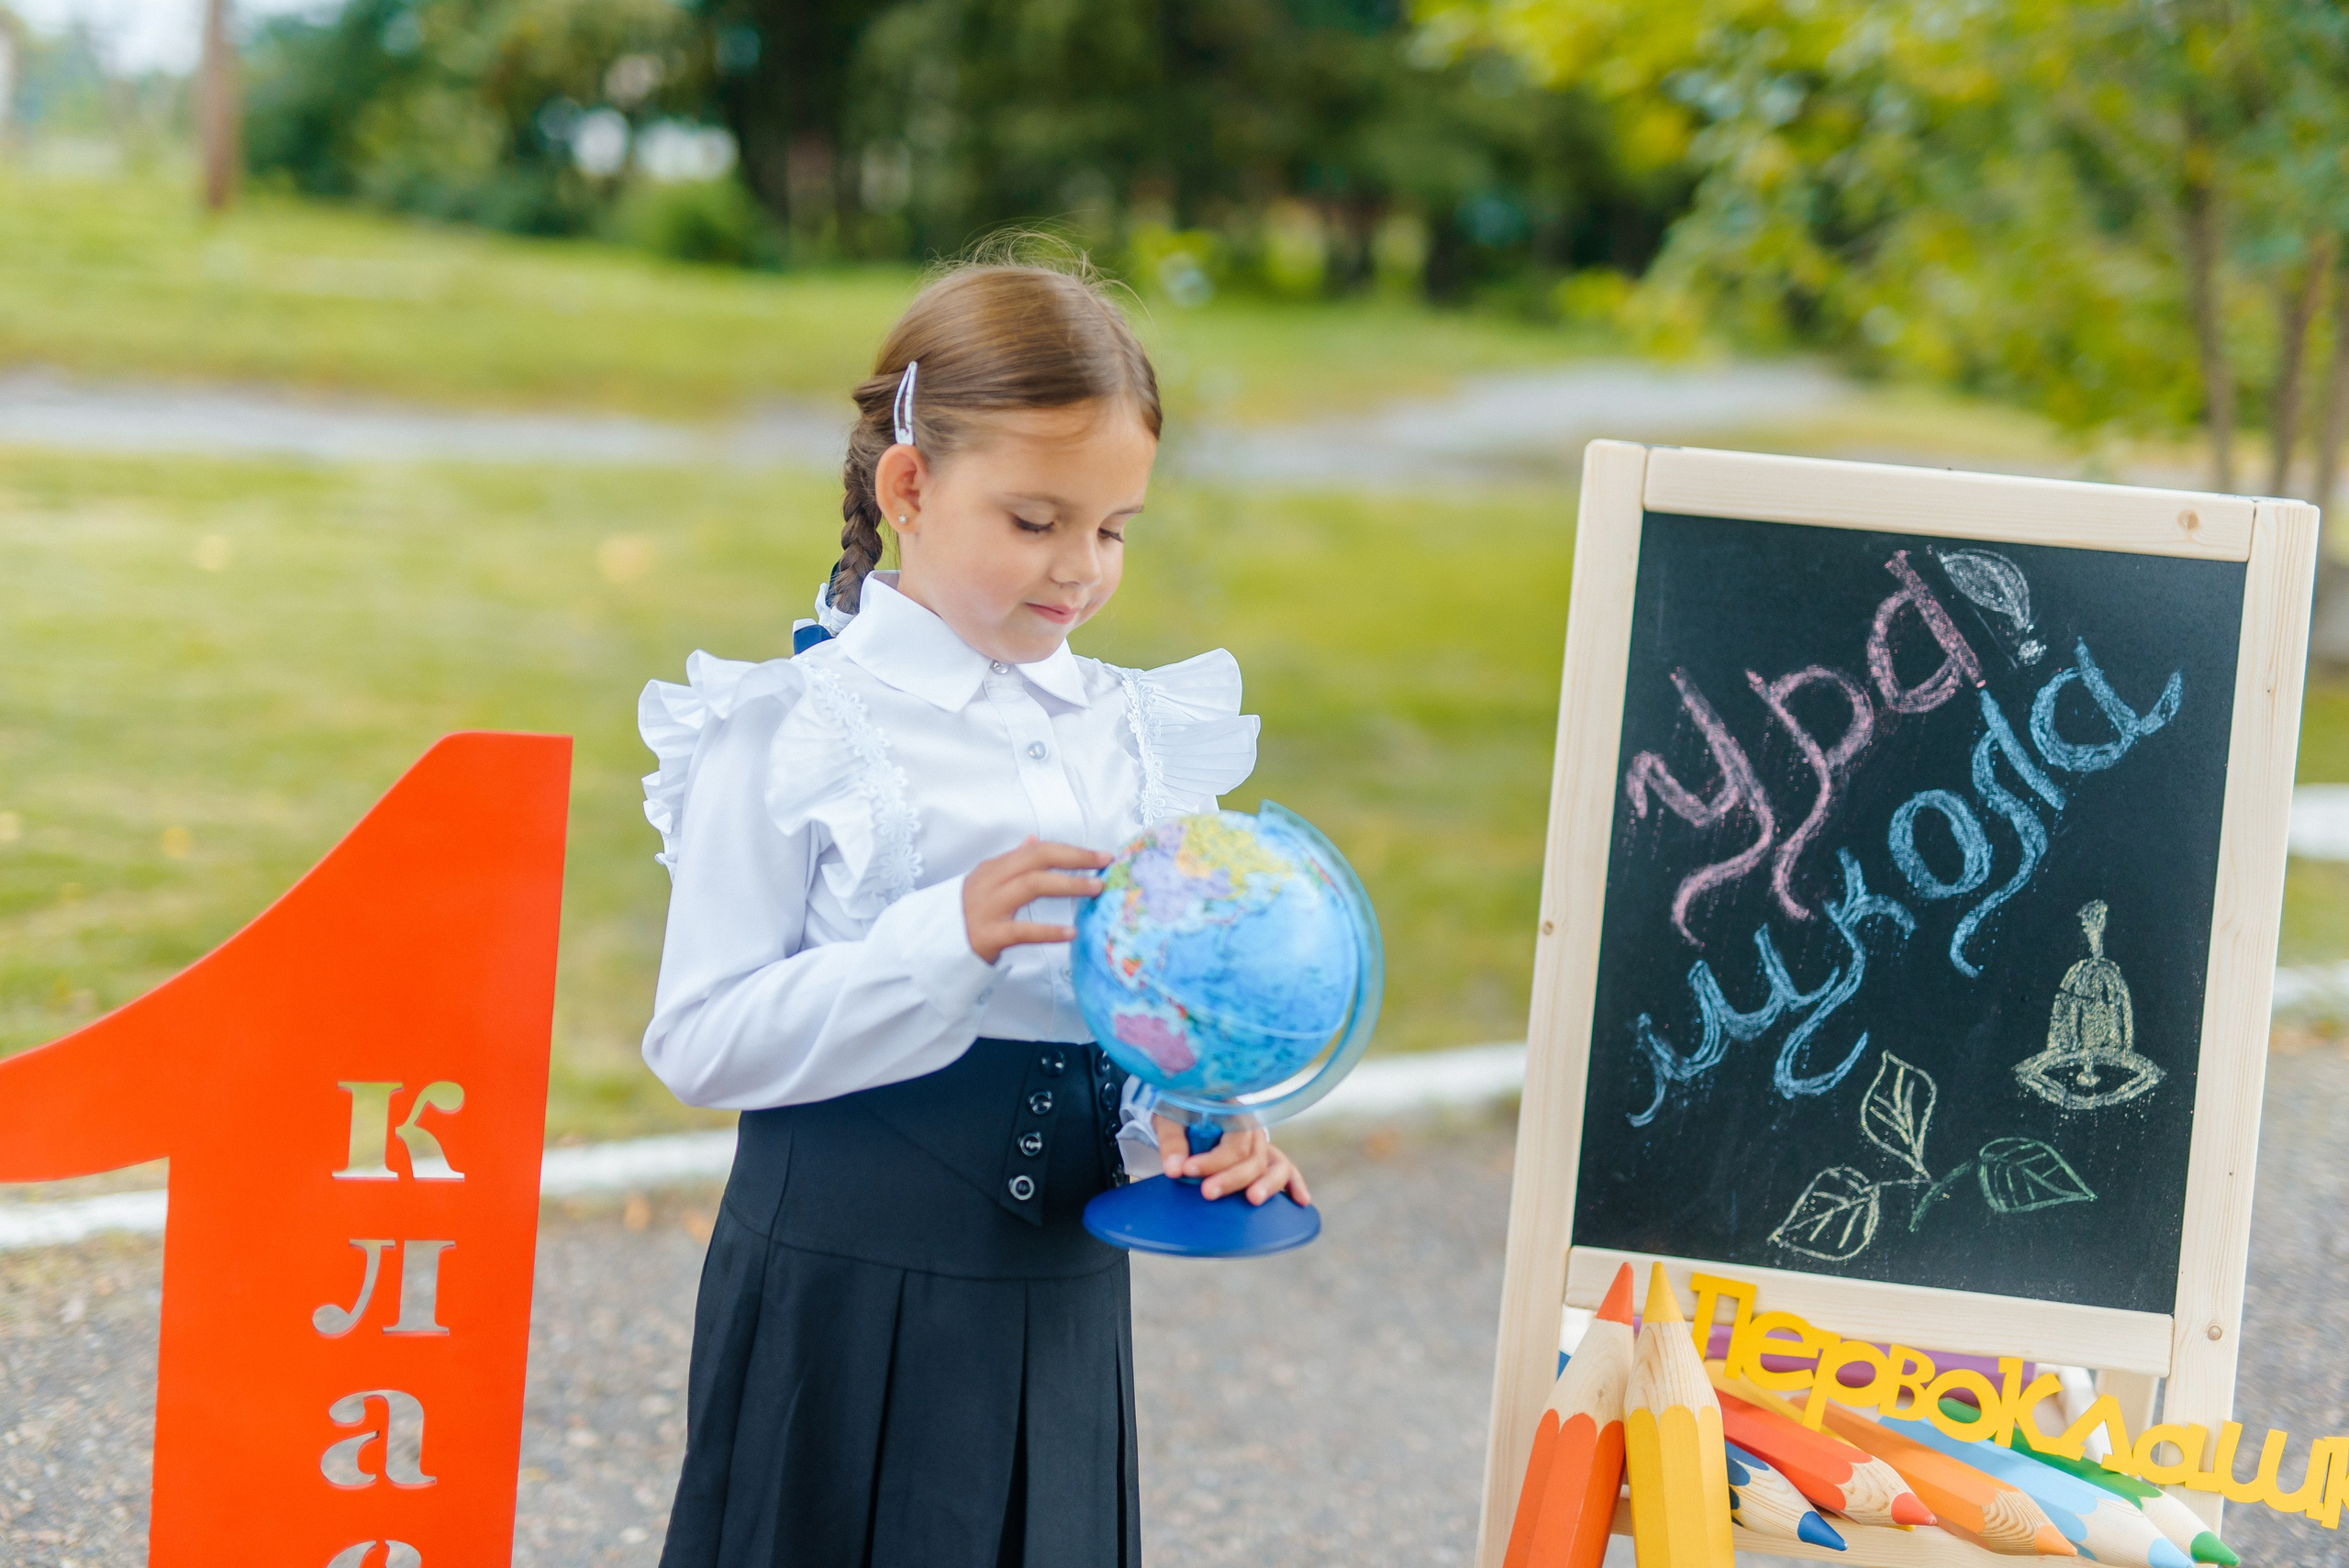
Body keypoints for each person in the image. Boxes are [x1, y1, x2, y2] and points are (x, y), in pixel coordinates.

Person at [636, 253, 1312, 1568]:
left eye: (1113, 528)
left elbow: (1138, 1014)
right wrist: (940, 938)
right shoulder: (788, 727)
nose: (1079, 570)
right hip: (839, 1298)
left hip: (1059, 1302)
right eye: (1035, 520)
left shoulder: (1128, 736)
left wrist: (1192, 1118)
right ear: (909, 486)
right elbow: (698, 1039)